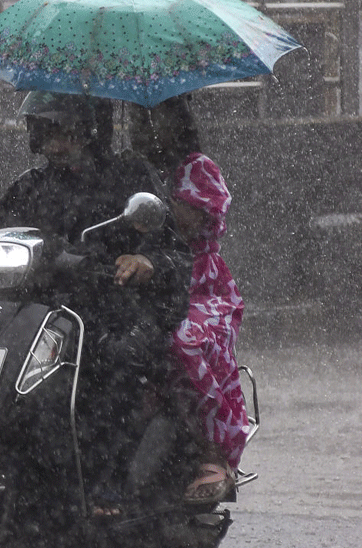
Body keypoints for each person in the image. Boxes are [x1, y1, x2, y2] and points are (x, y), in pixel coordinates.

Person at [0, 91, 192, 515]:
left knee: (111, 360)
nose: (55, 144)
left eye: (65, 132)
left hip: (113, 310)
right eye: (45, 132)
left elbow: (178, 257)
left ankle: (107, 482)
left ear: (92, 131)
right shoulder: (30, 186)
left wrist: (146, 261)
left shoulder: (130, 177)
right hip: (38, 317)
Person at [128, 95, 249, 505]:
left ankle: (212, 449)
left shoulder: (196, 167)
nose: (149, 131)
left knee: (185, 340)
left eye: (159, 121)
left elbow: (211, 209)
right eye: (142, 121)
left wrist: (171, 210)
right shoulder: (129, 172)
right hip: (153, 282)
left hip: (202, 283)